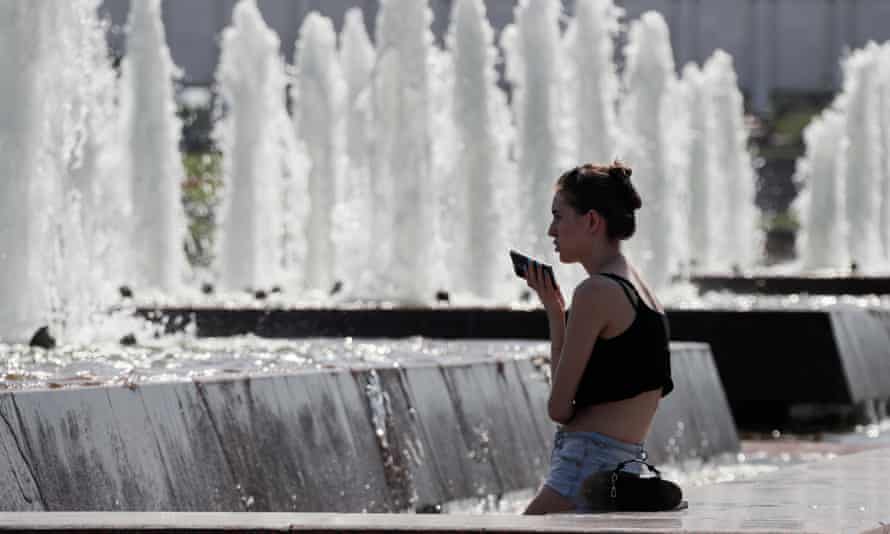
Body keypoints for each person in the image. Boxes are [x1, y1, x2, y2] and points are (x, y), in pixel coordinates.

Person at [522, 162, 674, 514]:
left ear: (592, 221)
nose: (551, 230)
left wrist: (559, 320)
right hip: (622, 468)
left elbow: (559, 408)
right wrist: (557, 315)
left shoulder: (595, 292)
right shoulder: (641, 290)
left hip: (584, 465)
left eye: (559, 216)